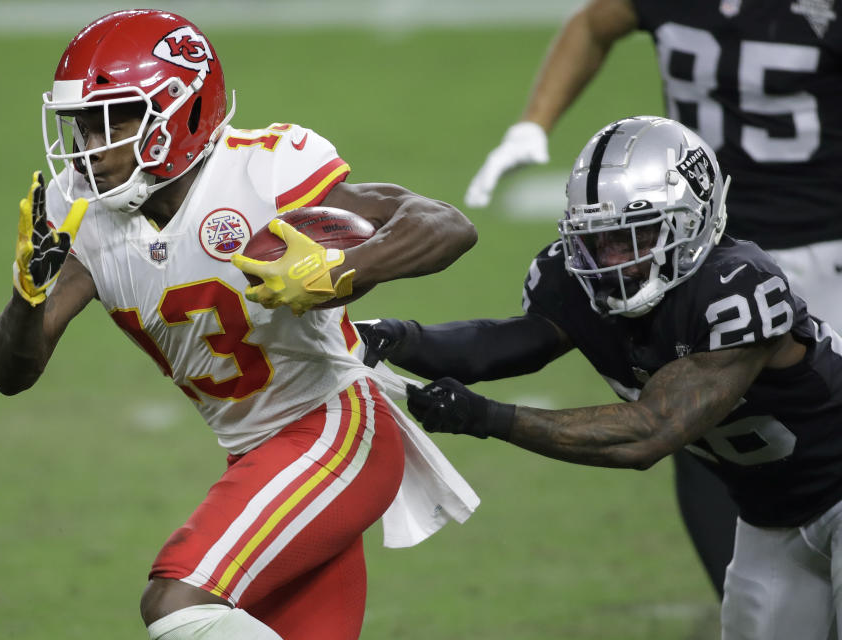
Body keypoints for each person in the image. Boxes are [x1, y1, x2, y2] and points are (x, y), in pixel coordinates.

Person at [0, 9, 481, 640]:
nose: (90, 144)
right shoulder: (81, 211)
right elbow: (12, 374)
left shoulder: (262, 172)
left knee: (176, 602)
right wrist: (25, 300)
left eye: (112, 118)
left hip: (332, 429)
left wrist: (340, 272)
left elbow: (445, 225)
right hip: (254, 455)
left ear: (180, 112)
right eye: (82, 123)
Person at [361, 115, 842, 639]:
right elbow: (509, 344)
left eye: (632, 237)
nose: (611, 261)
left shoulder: (735, 289)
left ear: (690, 221)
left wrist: (486, 417)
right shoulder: (579, 280)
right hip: (771, 517)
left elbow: (649, 432)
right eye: (598, 239)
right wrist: (399, 336)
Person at [464, 0, 842, 597]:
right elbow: (593, 23)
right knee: (707, 432)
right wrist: (532, 123)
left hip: (824, 243)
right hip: (687, 245)